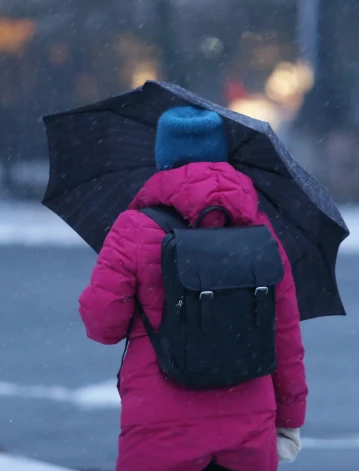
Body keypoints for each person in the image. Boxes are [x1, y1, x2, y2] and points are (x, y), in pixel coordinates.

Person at [78, 106, 307, 471]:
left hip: (160, 429)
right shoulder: (262, 233)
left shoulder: (134, 229)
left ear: (162, 156)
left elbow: (102, 325)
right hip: (248, 426)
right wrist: (290, 418)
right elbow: (285, 336)